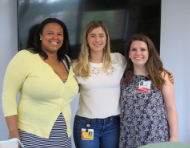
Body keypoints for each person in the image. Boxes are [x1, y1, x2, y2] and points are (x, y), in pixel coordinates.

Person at [72, 21, 174, 148]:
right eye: (92, 35)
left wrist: (163, 72)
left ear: (107, 38)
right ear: (86, 39)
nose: (97, 39)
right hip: (86, 125)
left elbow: (139, 62)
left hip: (113, 124)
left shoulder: (118, 60)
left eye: (101, 35)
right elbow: (68, 90)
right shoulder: (76, 66)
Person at [2, 18, 79, 148]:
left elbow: (63, 90)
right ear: (40, 36)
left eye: (59, 34)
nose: (55, 37)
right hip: (31, 134)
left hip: (62, 135)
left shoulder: (66, 60)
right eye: (50, 33)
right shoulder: (24, 57)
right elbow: (8, 95)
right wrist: (13, 131)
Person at [119, 34, 178, 148]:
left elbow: (171, 108)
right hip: (129, 136)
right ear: (129, 54)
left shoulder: (162, 76)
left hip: (155, 135)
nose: (138, 53)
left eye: (143, 49)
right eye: (134, 49)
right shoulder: (123, 77)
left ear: (149, 52)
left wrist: (174, 136)